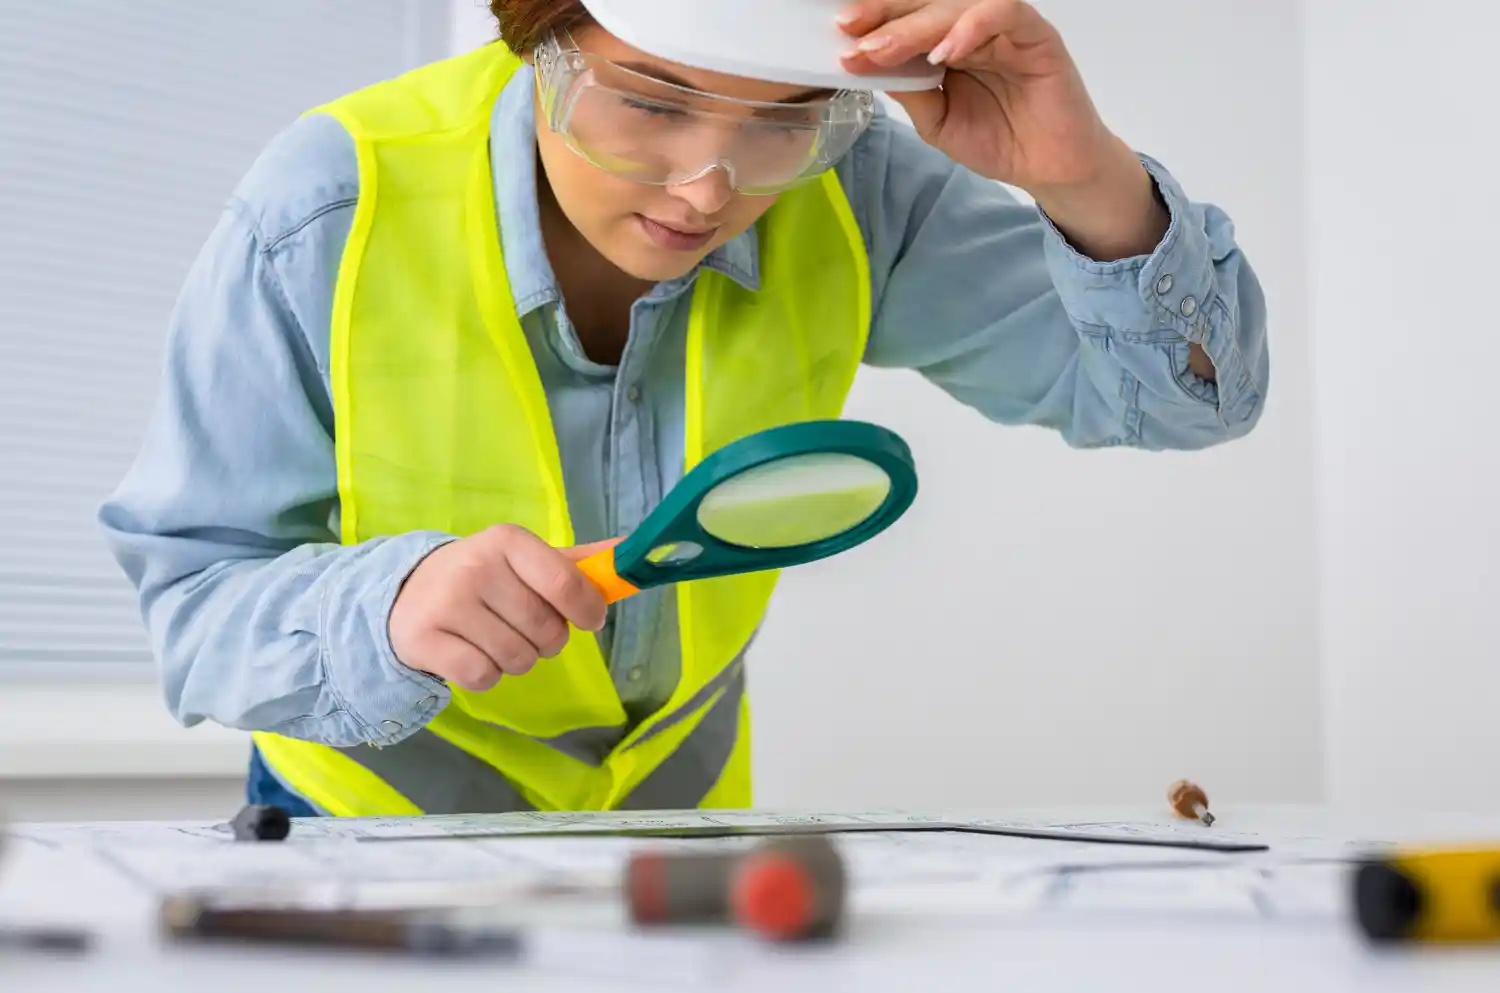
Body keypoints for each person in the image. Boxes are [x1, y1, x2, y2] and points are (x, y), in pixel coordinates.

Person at [99, 0, 1268, 817]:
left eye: (778, 119)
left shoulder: (851, 181)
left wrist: (1080, 174)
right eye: (651, 104)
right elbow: (194, 611)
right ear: (536, 38)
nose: (710, 186)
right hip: (364, 823)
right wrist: (388, 610)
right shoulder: (323, 209)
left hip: (683, 810)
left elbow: (1186, 406)